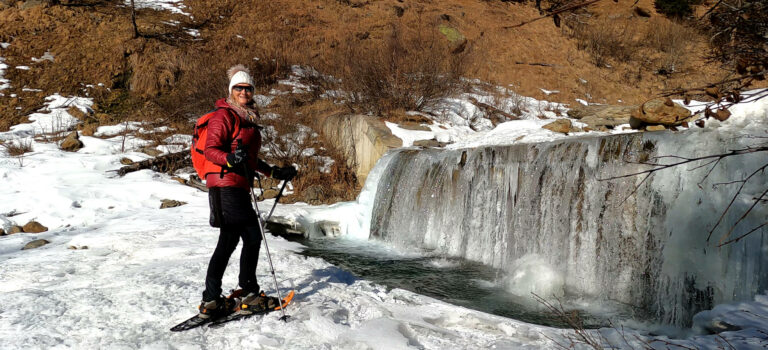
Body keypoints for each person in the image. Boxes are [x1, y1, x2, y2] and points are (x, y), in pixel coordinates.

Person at [197, 64, 297, 319]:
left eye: (248, 88)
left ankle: (212, 300)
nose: (244, 91)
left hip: (237, 185)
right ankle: (248, 293)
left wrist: (274, 172)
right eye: (239, 88)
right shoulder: (224, 115)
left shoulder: (247, 117)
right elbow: (211, 150)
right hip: (225, 185)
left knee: (229, 241)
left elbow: (249, 158)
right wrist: (230, 158)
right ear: (232, 91)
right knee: (251, 235)